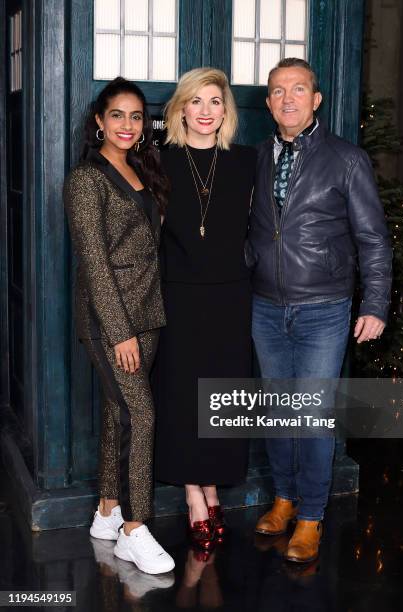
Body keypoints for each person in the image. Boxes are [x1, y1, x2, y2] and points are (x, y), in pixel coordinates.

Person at [247, 58, 392, 563]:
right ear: (268, 102)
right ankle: (283, 500)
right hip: (265, 307)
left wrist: (374, 303)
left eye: (299, 89)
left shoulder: (346, 158)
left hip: (324, 309)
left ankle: (310, 516)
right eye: (278, 91)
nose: (288, 98)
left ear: (316, 99)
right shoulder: (256, 157)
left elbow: (373, 238)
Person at [64, 77, 174, 575]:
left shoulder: (139, 170)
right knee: (141, 414)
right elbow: (94, 262)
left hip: (148, 312)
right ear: (99, 122)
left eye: (136, 117)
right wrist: (119, 331)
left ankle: (107, 512)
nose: (128, 125)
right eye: (117, 116)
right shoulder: (86, 179)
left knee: (117, 412)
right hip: (112, 319)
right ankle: (135, 528)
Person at [154, 68, 256, 549]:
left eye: (215, 101)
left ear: (225, 110)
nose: (205, 111)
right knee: (182, 396)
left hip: (231, 297)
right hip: (178, 296)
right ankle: (196, 494)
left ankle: (212, 484)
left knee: (221, 396)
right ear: (180, 109)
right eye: (195, 102)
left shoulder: (246, 162)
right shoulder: (157, 162)